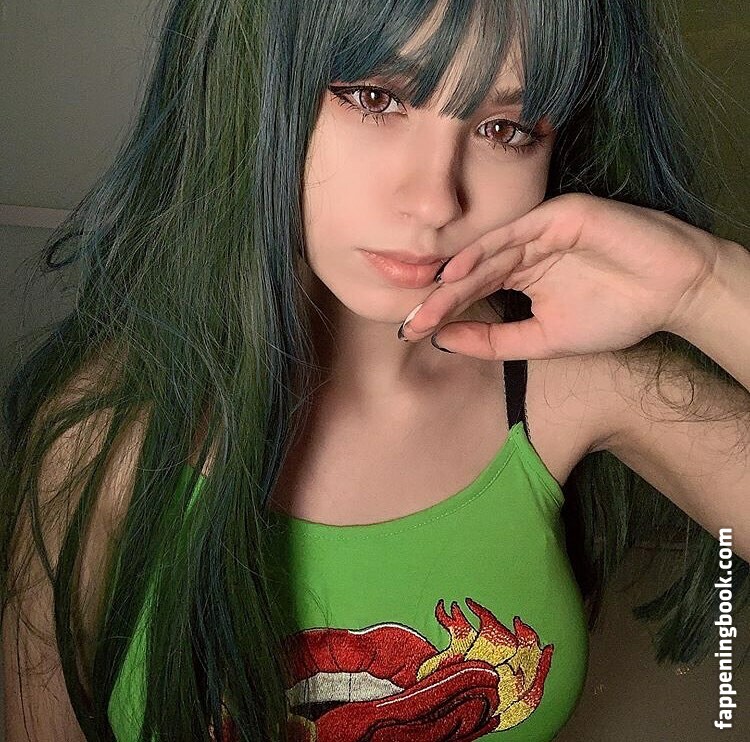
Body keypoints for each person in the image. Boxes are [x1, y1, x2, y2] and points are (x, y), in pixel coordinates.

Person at [2, 0, 749, 740]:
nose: (434, 201)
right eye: (374, 98)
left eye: (505, 129)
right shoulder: (108, 430)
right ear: (245, 88)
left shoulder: (570, 381)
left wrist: (706, 287)